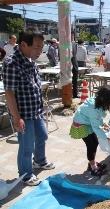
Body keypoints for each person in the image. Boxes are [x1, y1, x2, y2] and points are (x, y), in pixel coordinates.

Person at [3, 30, 55, 186]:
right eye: (37, 47)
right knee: (26, 146)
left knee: (43, 136)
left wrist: (42, 103)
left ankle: (39, 160)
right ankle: (25, 174)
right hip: (24, 114)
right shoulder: (12, 63)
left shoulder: (31, 59)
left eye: (42, 47)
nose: (40, 51)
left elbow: (34, 86)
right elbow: (9, 94)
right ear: (24, 44)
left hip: (36, 111)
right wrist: (17, 118)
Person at [69, 86, 110, 176]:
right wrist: (108, 138)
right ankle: (92, 167)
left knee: (94, 143)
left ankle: (92, 163)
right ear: (105, 101)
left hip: (87, 122)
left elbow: (97, 118)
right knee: (91, 144)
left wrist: (103, 123)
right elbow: (96, 127)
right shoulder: (93, 109)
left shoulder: (98, 103)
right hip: (81, 126)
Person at [71, 34, 79, 98]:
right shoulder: (65, 44)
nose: (72, 37)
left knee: (75, 79)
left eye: (73, 36)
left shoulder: (74, 44)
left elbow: (75, 53)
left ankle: (75, 94)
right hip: (67, 62)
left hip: (74, 62)